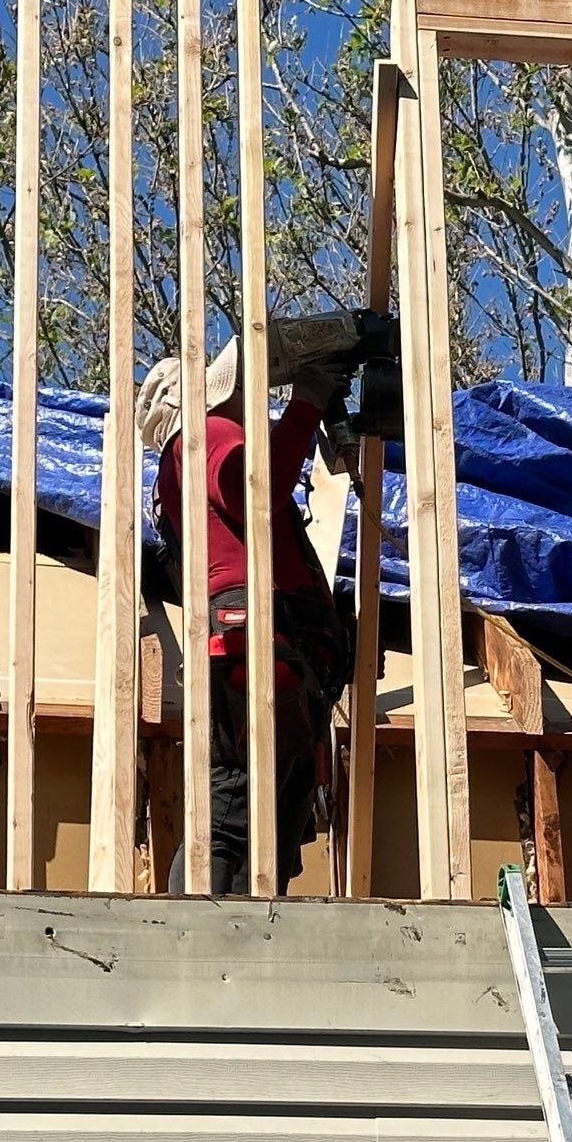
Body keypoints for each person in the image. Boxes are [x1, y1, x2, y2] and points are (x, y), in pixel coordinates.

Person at [140, 317, 381, 894]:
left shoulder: (183, 468)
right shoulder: (204, 436)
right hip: (257, 647)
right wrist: (306, 405)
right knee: (235, 810)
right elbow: (257, 491)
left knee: (267, 818)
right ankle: (204, 935)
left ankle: (246, 937)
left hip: (270, 652)